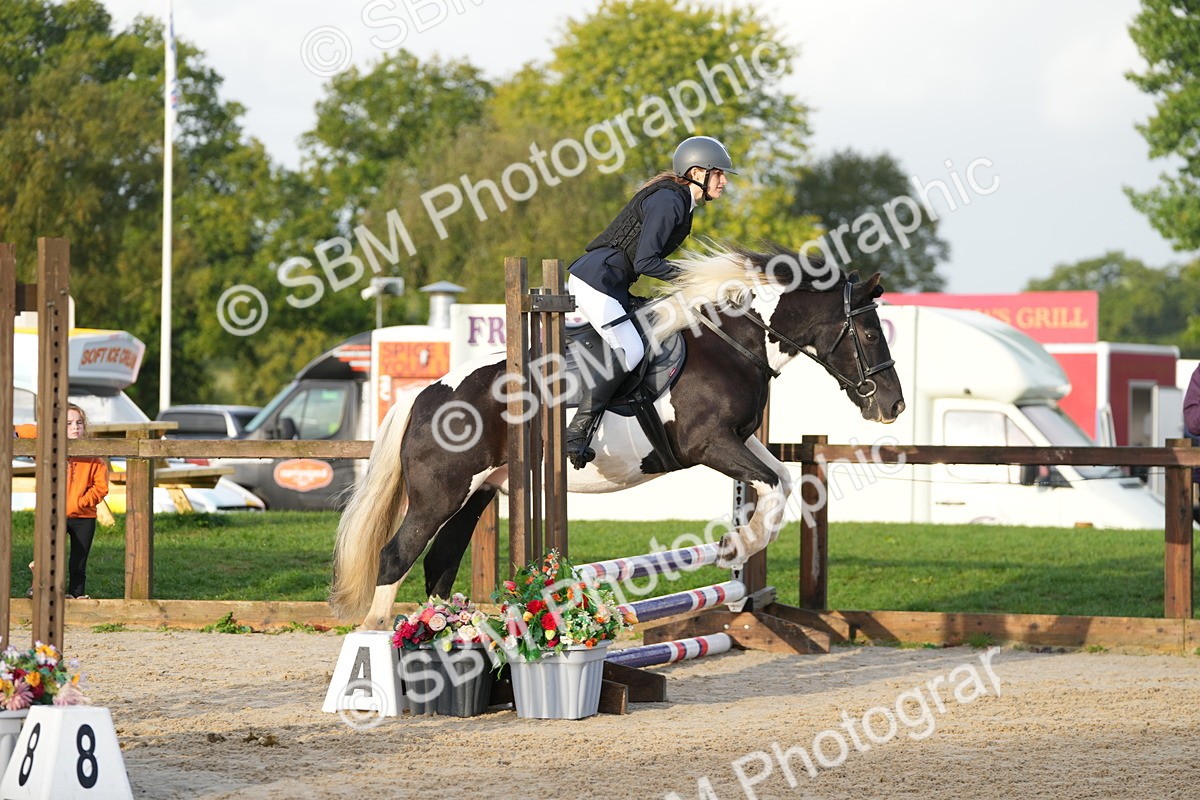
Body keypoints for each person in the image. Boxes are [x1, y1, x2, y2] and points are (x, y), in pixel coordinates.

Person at [564, 135, 736, 468]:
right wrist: (695, 279)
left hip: (611, 283)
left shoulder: (680, 202)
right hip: (596, 282)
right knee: (631, 350)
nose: (724, 181)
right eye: (718, 173)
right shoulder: (670, 201)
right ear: (696, 172)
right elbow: (645, 262)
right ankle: (577, 431)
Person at [14, 403, 109, 599]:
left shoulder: (94, 455)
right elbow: (24, 430)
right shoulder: (48, 448)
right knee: (48, 554)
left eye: (79, 422)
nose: (75, 427)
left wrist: (82, 501)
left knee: (78, 562)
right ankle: (40, 588)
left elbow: (101, 487)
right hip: (54, 515)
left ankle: (76, 596)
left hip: (84, 517)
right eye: (68, 423)